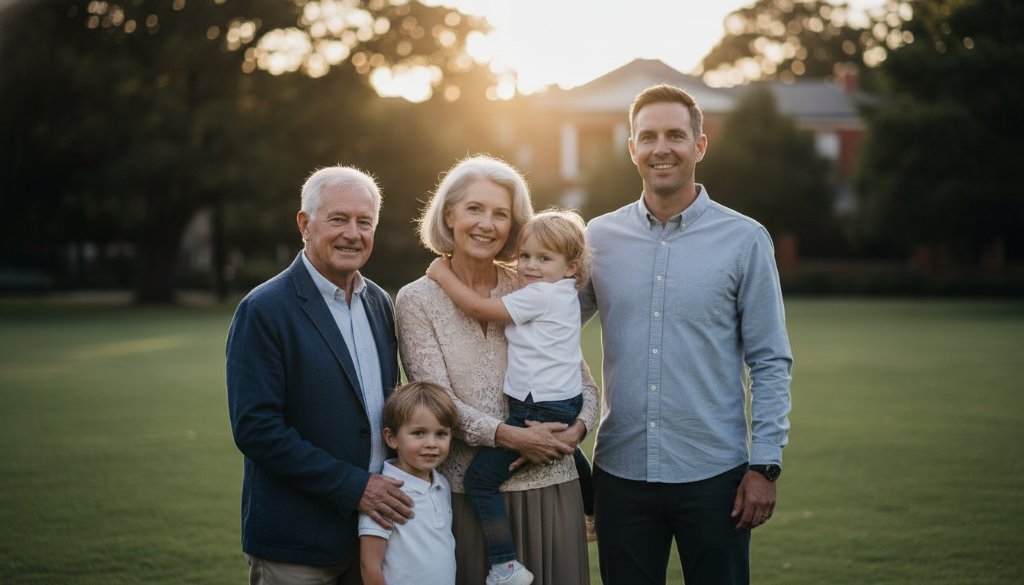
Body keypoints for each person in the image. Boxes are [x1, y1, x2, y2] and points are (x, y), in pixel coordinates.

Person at [579, 84, 793, 585]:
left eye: (675, 135)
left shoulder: (745, 240)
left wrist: (766, 465)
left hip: (716, 476)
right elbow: (548, 322)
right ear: (632, 148)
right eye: (647, 136)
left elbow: (770, 359)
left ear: (699, 145)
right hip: (621, 474)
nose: (661, 148)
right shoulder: (597, 239)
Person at [395, 154, 598, 585]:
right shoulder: (417, 300)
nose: (487, 223)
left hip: (552, 487)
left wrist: (575, 431)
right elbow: (437, 403)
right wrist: (513, 436)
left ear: (513, 225)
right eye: (475, 208)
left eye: (500, 214)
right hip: (470, 497)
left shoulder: (531, 281)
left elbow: (583, 384)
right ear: (449, 214)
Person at [226, 166, 413, 585]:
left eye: (364, 222)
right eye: (338, 219)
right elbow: (256, 429)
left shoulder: (379, 302)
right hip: (296, 541)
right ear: (304, 224)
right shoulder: (264, 309)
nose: (353, 233)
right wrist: (355, 487)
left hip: (372, 538)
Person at [359, 381, 459, 585]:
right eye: (418, 433)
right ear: (392, 438)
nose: (431, 443)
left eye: (441, 434)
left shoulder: (443, 485)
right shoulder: (386, 492)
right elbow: (369, 565)